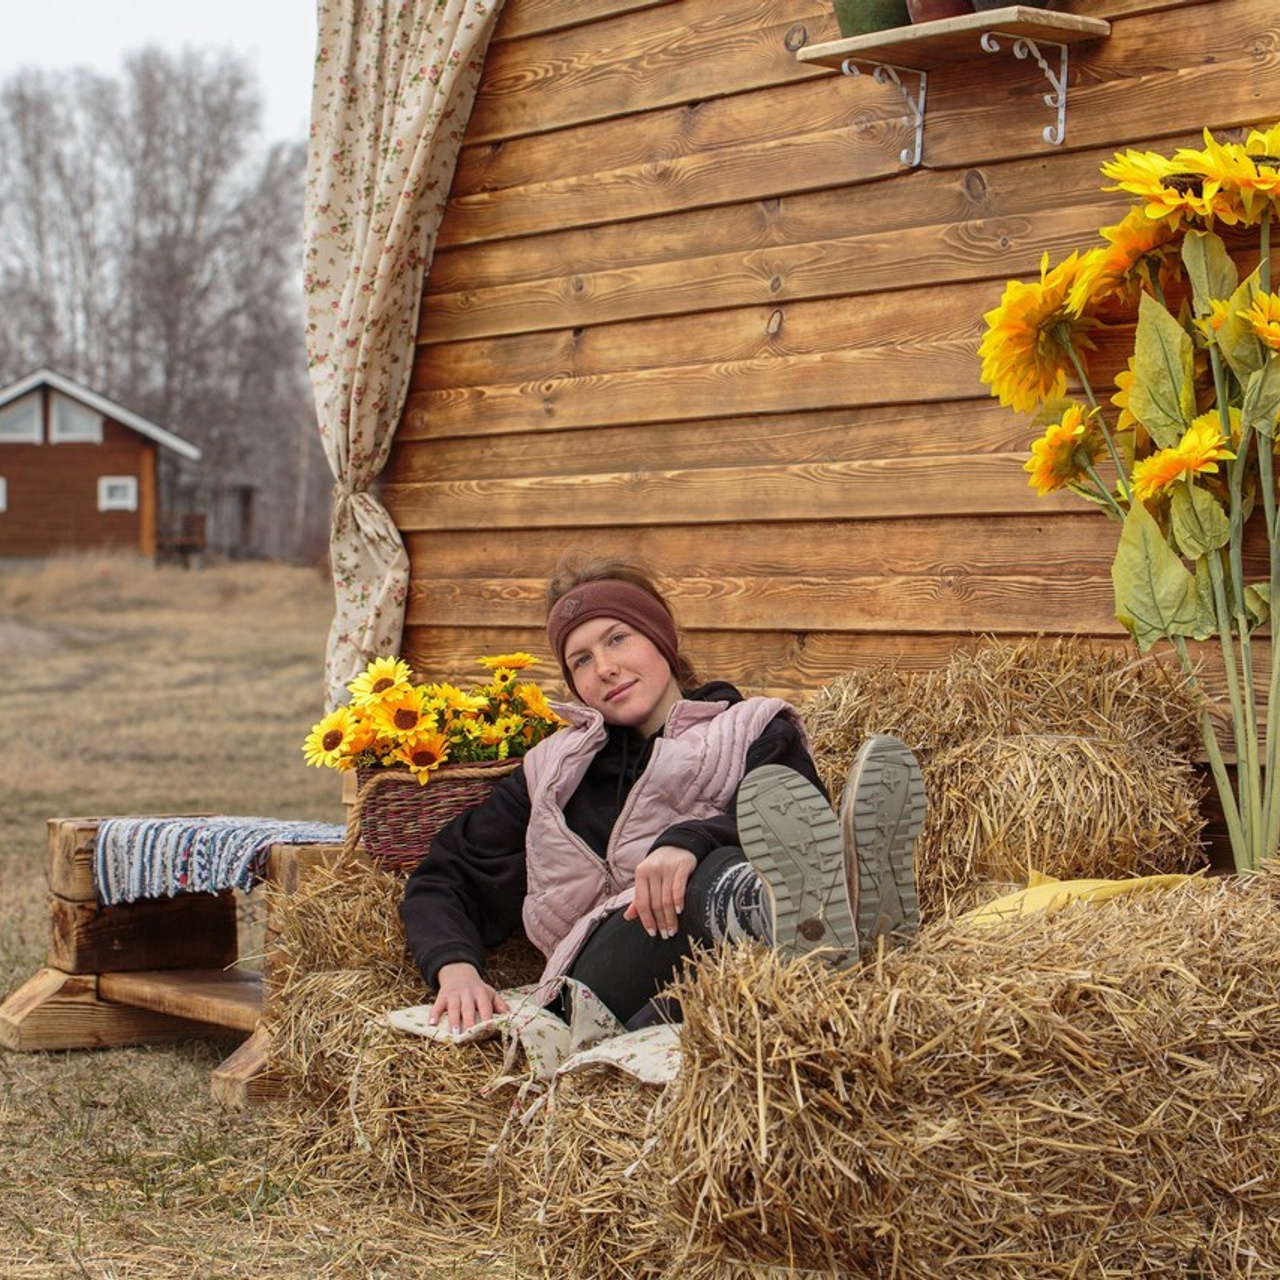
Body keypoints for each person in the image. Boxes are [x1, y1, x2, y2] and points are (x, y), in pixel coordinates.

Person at [399, 554, 925, 1034]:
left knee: (727, 859)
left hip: (716, 975)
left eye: (617, 638)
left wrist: (688, 839)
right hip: (595, 986)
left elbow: (794, 821)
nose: (603, 667)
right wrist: (455, 969)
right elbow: (445, 877)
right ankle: (807, 921)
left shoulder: (752, 729)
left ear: (661, 637)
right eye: (580, 660)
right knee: (691, 885)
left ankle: (822, 922)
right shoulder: (550, 773)